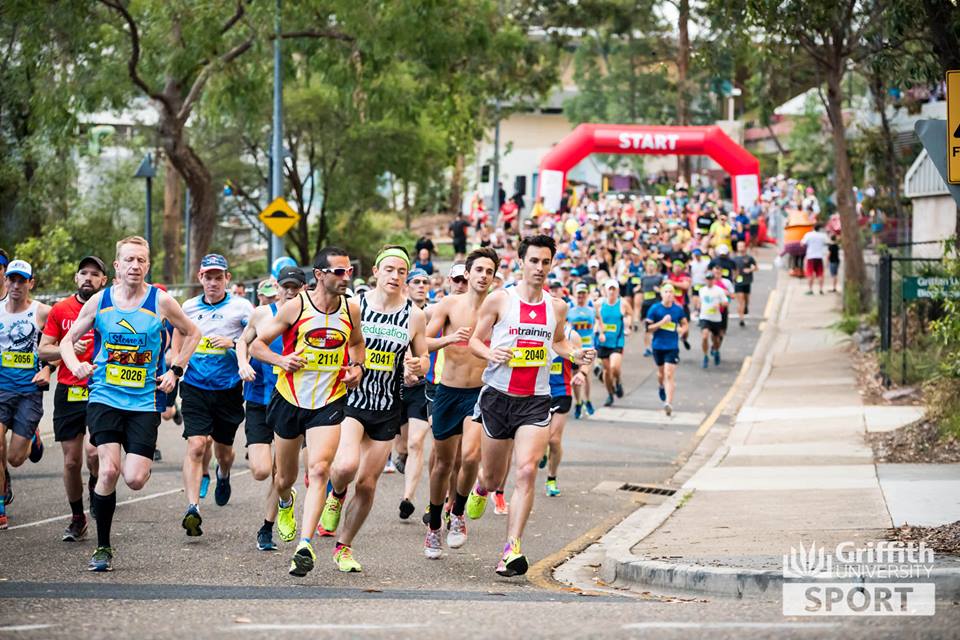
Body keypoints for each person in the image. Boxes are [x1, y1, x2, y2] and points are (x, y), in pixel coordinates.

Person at [59, 236, 201, 571]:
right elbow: (68, 341)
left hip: (143, 401)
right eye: (129, 260)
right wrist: (75, 363)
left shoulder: (160, 301)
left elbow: (193, 333)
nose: (135, 266)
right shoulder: (100, 300)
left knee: (135, 479)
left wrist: (176, 370)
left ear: (147, 265)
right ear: (118, 265)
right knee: (107, 470)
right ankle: (104, 547)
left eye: (141, 260)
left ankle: (112, 491)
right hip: (105, 396)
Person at [465, 234, 595, 577]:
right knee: (494, 476)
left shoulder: (557, 307)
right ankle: (481, 487)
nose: (539, 268)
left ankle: (512, 549)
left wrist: (576, 354)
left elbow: (560, 342)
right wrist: (490, 352)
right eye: (533, 261)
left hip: (536, 402)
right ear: (521, 262)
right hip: (497, 398)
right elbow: (476, 340)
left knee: (525, 470)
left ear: (552, 265)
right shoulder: (499, 300)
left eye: (545, 262)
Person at [249, 246, 364, 578]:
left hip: (329, 400)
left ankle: (305, 544)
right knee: (283, 478)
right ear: (319, 275)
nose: (346, 277)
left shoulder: (351, 309)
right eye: (339, 272)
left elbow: (357, 344)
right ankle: (285, 502)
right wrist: (281, 360)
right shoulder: (294, 308)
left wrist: (357, 367)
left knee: (319, 469)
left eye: (349, 271)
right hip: (289, 399)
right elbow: (257, 345)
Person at [318, 246, 429, 573]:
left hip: (387, 407)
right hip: (352, 400)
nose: (395, 276)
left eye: (401, 272)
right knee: (345, 466)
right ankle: (336, 495)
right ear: (376, 272)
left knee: (367, 483)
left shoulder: (414, 316)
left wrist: (416, 366)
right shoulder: (356, 305)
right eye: (389, 269)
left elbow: (423, 360)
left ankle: (344, 546)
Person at [421, 247, 499, 558]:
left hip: (480, 394)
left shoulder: (498, 309)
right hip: (447, 392)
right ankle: (434, 524)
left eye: (489, 271)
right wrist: (447, 339)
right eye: (478, 270)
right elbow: (422, 341)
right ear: (467, 274)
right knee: (442, 464)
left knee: (469, 457)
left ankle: (458, 515)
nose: (483, 276)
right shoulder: (449, 304)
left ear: (494, 278)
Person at [176, 254, 254, 537]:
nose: (213, 282)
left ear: (227, 279)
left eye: (218, 277)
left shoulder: (241, 306)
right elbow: (179, 334)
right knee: (196, 445)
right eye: (208, 277)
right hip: (195, 386)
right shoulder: (188, 306)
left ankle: (223, 473)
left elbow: (256, 335)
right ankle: (192, 507)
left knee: (223, 451)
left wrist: (233, 342)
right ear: (200, 278)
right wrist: (176, 365)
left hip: (228, 389)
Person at [38, 256, 108, 541]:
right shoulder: (61, 310)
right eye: (84, 273)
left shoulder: (110, 307)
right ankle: (77, 517)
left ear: (104, 280)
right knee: (70, 462)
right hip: (69, 390)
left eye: (95, 274)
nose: (88, 278)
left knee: (94, 453)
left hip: (101, 389)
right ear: (76, 278)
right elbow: (44, 350)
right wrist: (68, 350)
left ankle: (95, 484)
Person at [236, 269, 303, 551]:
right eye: (285, 286)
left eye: (294, 287)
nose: (289, 291)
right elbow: (243, 341)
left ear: (303, 288)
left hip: (290, 400)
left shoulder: (306, 317)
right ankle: (286, 497)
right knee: (261, 470)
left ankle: (266, 527)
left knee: (280, 472)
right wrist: (243, 363)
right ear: (277, 287)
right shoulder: (262, 314)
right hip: (258, 398)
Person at [0, 260, 52, 530]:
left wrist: (48, 369)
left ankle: (32, 437)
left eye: (22, 280)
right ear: (5, 281)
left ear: (31, 283)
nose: (16, 285)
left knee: (15, 458)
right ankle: (0, 506)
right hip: (1, 389)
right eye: (12, 280)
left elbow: (59, 344)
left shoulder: (42, 312)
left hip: (29, 392)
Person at [397, 268, 431, 520]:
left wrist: (420, 366)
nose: (421, 285)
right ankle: (401, 455)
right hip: (394, 386)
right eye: (416, 282)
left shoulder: (435, 313)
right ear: (406, 286)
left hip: (423, 387)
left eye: (425, 282)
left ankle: (407, 497)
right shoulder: (396, 312)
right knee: (402, 446)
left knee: (416, 442)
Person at [544, 320, 586, 496]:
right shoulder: (539, 330)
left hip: (562, 390)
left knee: (554, 440)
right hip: (539, 392)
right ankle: (541, 454)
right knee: (539, 441)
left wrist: (582, 373)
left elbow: (585, 359)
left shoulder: (572, 335)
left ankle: (551, 478)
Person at [645, 285, 688, 416]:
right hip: (658, 346)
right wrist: (662, 322)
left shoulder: (678, 310)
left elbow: (685, 323)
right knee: (661, 374)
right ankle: (661, 386)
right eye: (666, 292)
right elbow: (648, 328)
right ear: (662, 294)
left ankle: (668, 403)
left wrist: (682, 330)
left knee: (669, 374)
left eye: (671, 292)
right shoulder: (655, 309)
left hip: (672, 346)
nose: (669, 294)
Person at [596, 280, 632, 407]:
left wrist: (628, 325)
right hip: (603, 341)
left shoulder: (623, 303)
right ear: (605, 290)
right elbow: (594, 317)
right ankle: (610, 394)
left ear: (617, 291)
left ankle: (618, 382)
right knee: (606, 372)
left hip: (617, 341)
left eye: (614, 289)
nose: (611, 291)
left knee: (614, 367)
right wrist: (598, 331)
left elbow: (630, 314)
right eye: (609, 289)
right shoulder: (600, 303)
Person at [567, 284, 596, 419]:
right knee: (575, 375)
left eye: (583, 293)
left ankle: (588, 400)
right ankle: (578, 402)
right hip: (574, 348)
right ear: (575, 294)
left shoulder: (592, 309)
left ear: (587, 294)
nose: (581, 296)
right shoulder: (569, 309)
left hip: (589, 346)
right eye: (579, 293)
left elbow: (599, 322)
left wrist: (600, 332)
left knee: (586, 375)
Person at [698, 272, 729, 369]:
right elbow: (700, 302)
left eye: (711, 279)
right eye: (708, 279)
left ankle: (716, 350)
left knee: (716, 339)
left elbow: (725, 302)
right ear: (705, 280)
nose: (709, 281)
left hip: (716, 318)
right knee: (704, 336)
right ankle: (705, 356)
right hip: (704, 317)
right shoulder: (702, 290)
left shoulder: (719, 291)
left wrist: (719, 305)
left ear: (714, 280)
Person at [732, 240, 758, 327]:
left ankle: (746, 307)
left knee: (746, 300)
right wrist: (733, 276)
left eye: (742, 246)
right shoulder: (734, 259)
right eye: (739, 246)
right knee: (741, 301)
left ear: (745, 247)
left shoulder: (749, 258)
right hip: (738, 283)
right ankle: (741, 319)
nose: (741, 248)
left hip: (747, 281)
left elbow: (756, 267)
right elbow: (731, 270)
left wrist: (750, 270)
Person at [802, 223, 829, 295]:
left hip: (810, 256)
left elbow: (802, 243)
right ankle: (821, 289)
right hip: (819, 256)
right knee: (820, 274)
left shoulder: (809, 235)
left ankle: (810, 289)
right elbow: (828, 243)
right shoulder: (823, 236)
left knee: (810, 274)